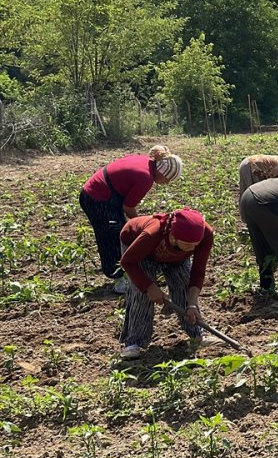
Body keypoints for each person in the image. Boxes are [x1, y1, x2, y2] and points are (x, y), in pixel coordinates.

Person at [79, 145, 183, 294]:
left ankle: (129, 272)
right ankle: (119, 281)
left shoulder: (145, 161)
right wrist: (145, 226)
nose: (166, 183)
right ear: (163, 172)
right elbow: (128, 207)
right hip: (96, 198)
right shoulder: (145, 178)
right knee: (112, 237)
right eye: (168, 179)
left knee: (121, 231)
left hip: (99, 193)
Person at [118, 208, 213, 359]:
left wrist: (192, 304)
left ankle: (197, 333)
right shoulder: (152, 234)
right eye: (189, 245)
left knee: (183, 284)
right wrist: (149, 287)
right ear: (173, 237)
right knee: (141, 294)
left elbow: (198, 272)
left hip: (176, 257)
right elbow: (128, 262)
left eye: (196, 244)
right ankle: (134, 342)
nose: (194, 248)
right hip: (140, 252)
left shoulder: (205, 234)